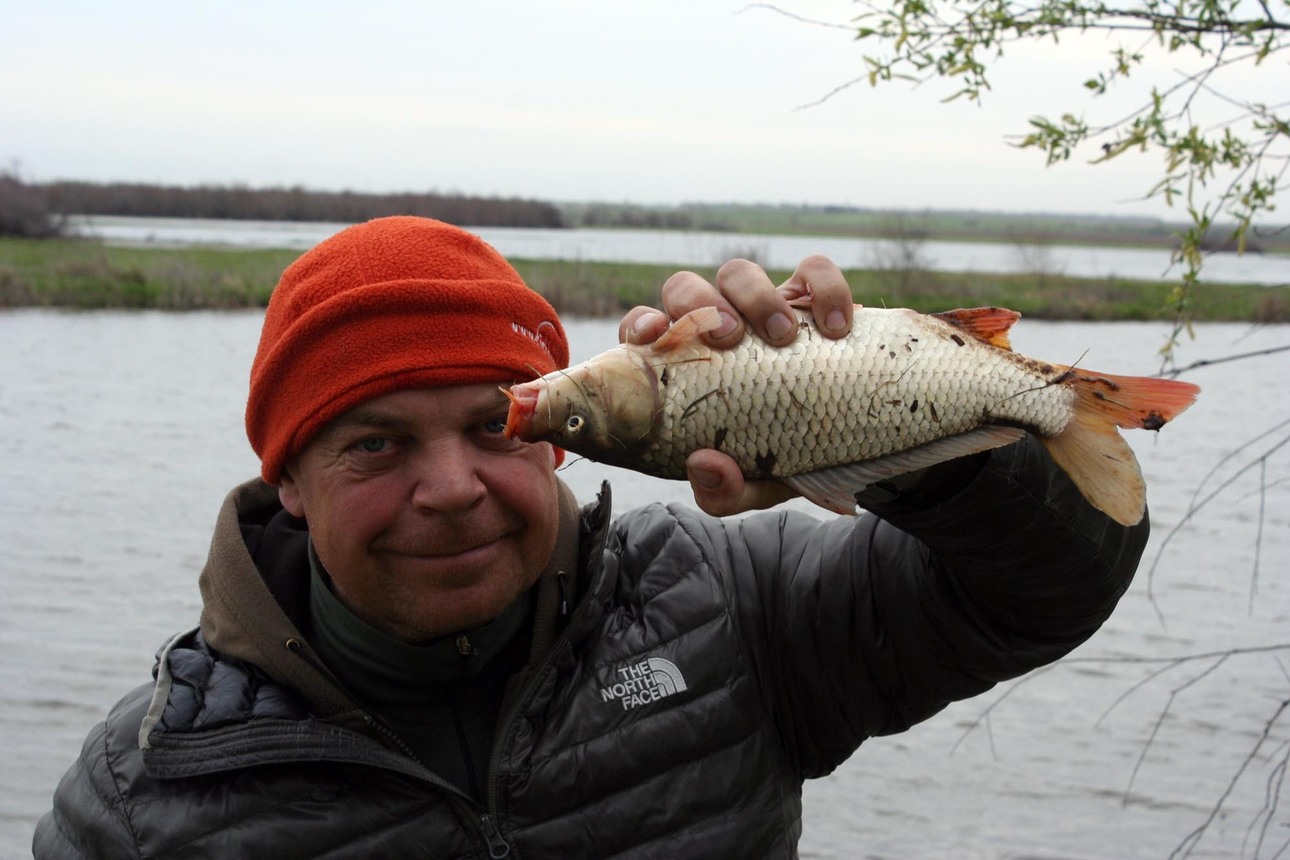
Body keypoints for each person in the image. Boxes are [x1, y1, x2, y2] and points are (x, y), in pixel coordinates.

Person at [33, 216, 1147, 859]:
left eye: (494, 423)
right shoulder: (140, 799)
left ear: (559, 435)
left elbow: (1037, 592)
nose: (454, 487)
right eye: (374, 445)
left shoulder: (734, 608)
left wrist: (890, 413)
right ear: (290, 482)